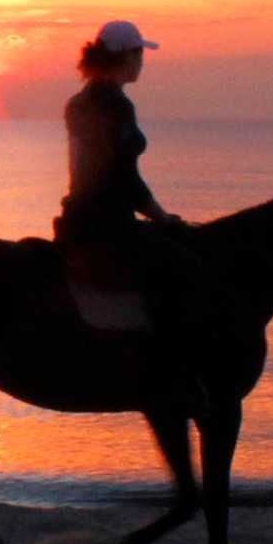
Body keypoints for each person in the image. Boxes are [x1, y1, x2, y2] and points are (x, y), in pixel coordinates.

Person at [57, 19, 193, 336]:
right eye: (139, 55)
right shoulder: (117, 106)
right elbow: (123, 177)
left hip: (77, 219)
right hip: (108, 225)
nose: (142, 63)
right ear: (128, 57)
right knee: (182, 269)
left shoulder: (78, 102)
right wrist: (163, 218)